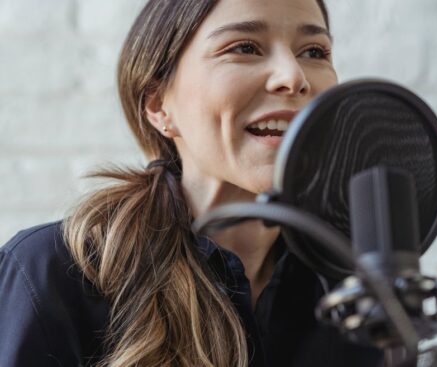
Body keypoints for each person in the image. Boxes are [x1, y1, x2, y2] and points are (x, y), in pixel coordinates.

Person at [0, 0, 384, 366]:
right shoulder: (51, 275)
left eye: (315, 52)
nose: (294, 77)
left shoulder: (357, 290)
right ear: (157, 105)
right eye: (245, 46)